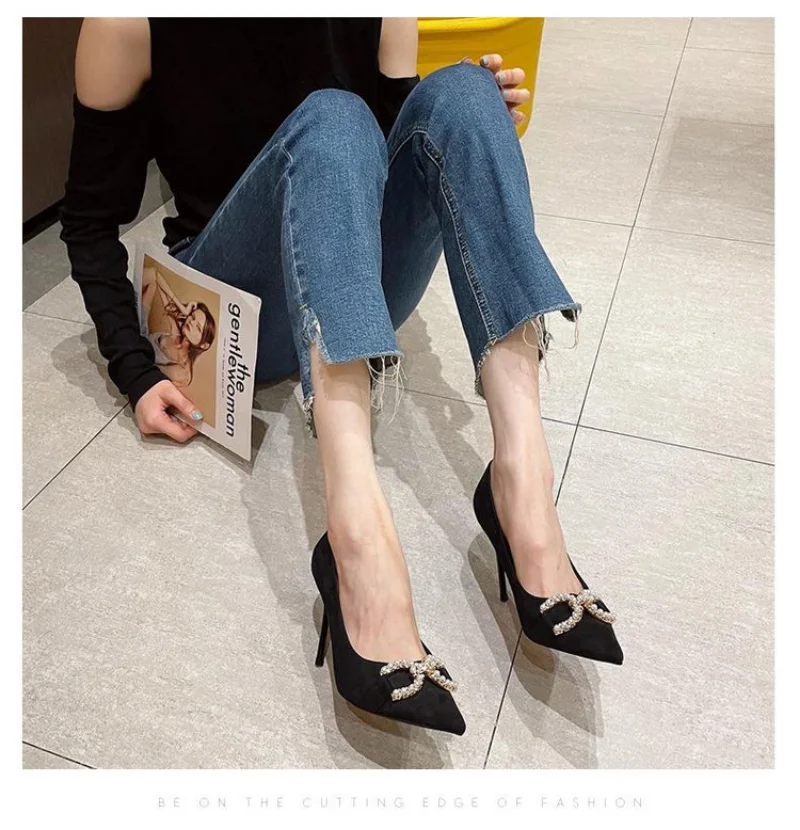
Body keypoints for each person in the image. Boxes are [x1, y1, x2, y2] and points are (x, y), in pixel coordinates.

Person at [61, 17, 622, 738]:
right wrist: (134, 371)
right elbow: (88, 221)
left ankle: (523, 483)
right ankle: (356, 532)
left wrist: (474, 136)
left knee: (464, 95)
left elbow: (390, 152)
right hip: (241, 305)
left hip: (351, 281)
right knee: (332, 116)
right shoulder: (130, 21)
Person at [141, 266, 216, 388]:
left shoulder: (183, 372)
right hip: (140, 335)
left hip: (136, 355)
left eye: (198, 327)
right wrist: (182, 308)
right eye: (192, 317)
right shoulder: (177, 330)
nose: (191, 322)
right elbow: (156, 275)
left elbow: (146, 368)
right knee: (151, 275)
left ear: (204, 345)